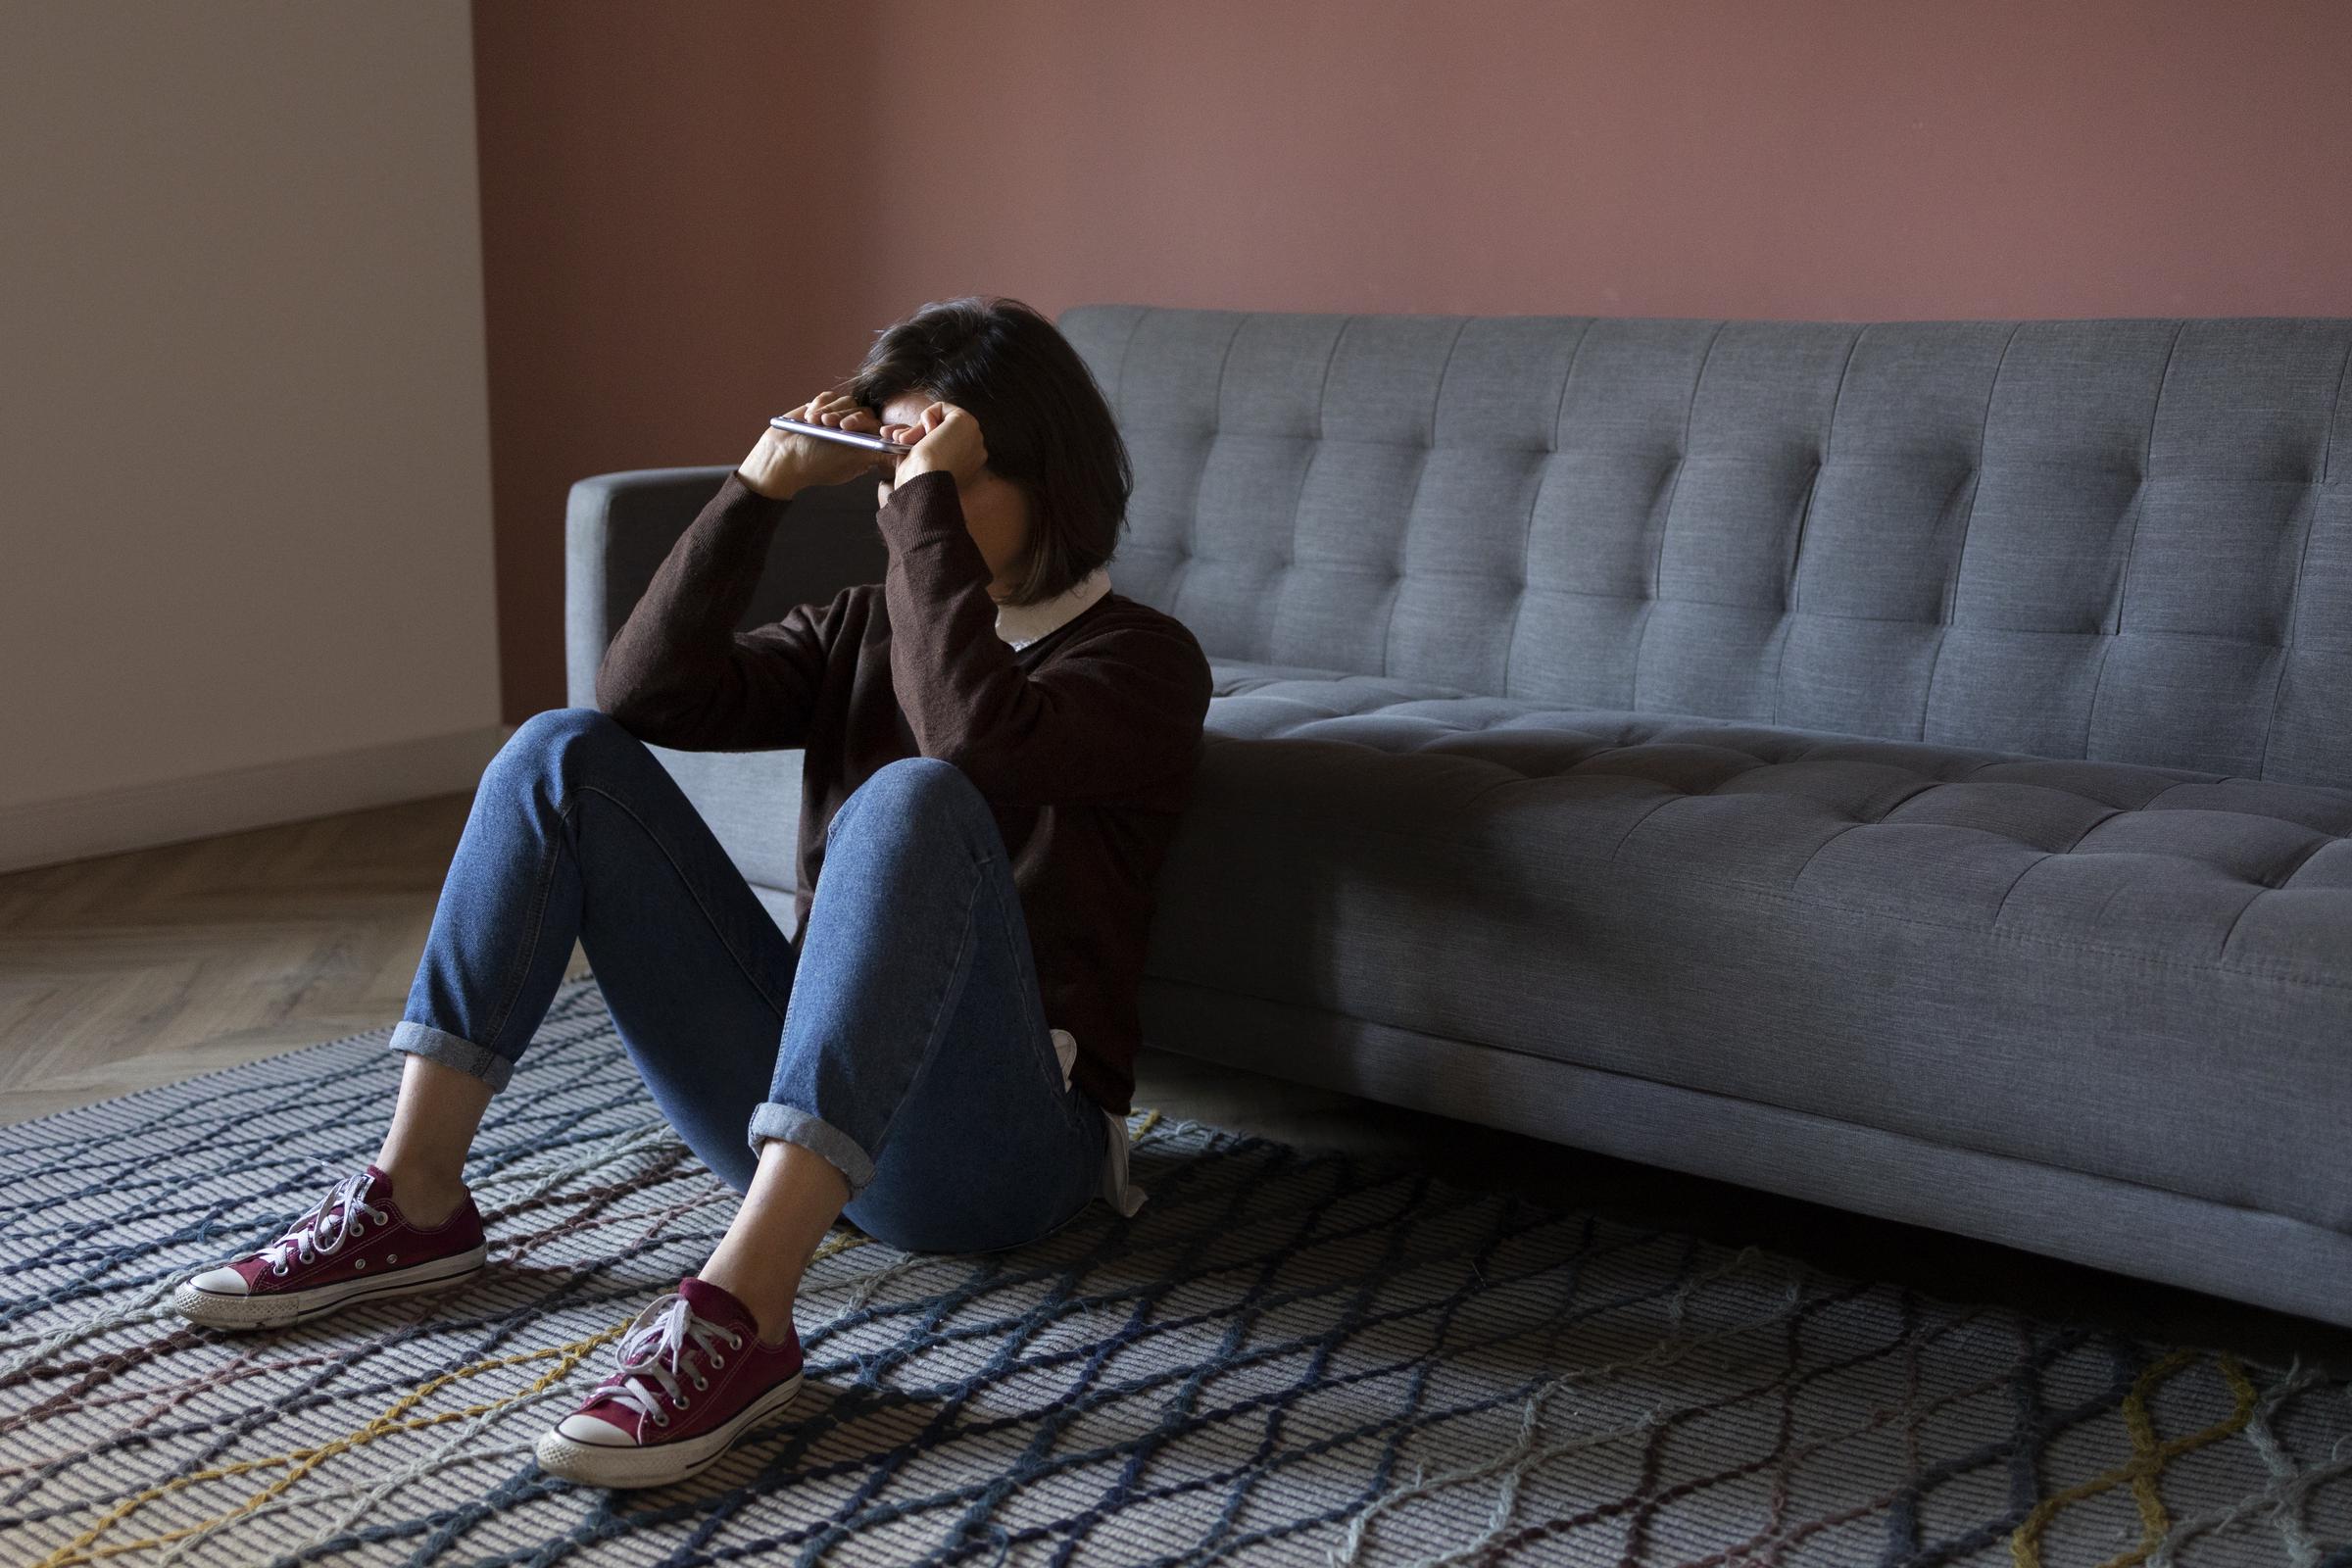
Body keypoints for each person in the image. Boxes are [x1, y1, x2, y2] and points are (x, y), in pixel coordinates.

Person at [170, 296, 1215, 1491]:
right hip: (808, 1122)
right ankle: (415, 1194)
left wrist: (920, 508)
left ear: (1049, 478)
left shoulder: (1144, 661)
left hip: (1003, 1154)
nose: (907, 501)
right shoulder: (865, 632)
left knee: (913, 799)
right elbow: (643, 698)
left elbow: (974, 742)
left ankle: (744, 1312)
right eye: (895, 472)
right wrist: (757, 487)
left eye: (945, 471)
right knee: (559, 754)